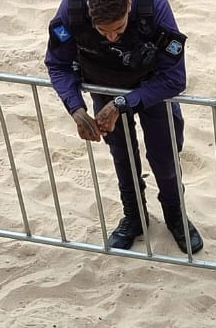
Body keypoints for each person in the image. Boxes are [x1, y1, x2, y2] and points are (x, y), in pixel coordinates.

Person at [44, 0, 204, 254]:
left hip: (153, 90)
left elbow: (174, 78)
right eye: (102, 31)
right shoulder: (72, 10)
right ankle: (134, 216)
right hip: (102, 84)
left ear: (129, 5)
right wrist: (75, 107)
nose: (111, 37)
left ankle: (175, 215)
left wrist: (123, 103)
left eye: (118, 29)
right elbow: (57, 64)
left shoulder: (153, 8)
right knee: (121, 153)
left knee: (164, 157)